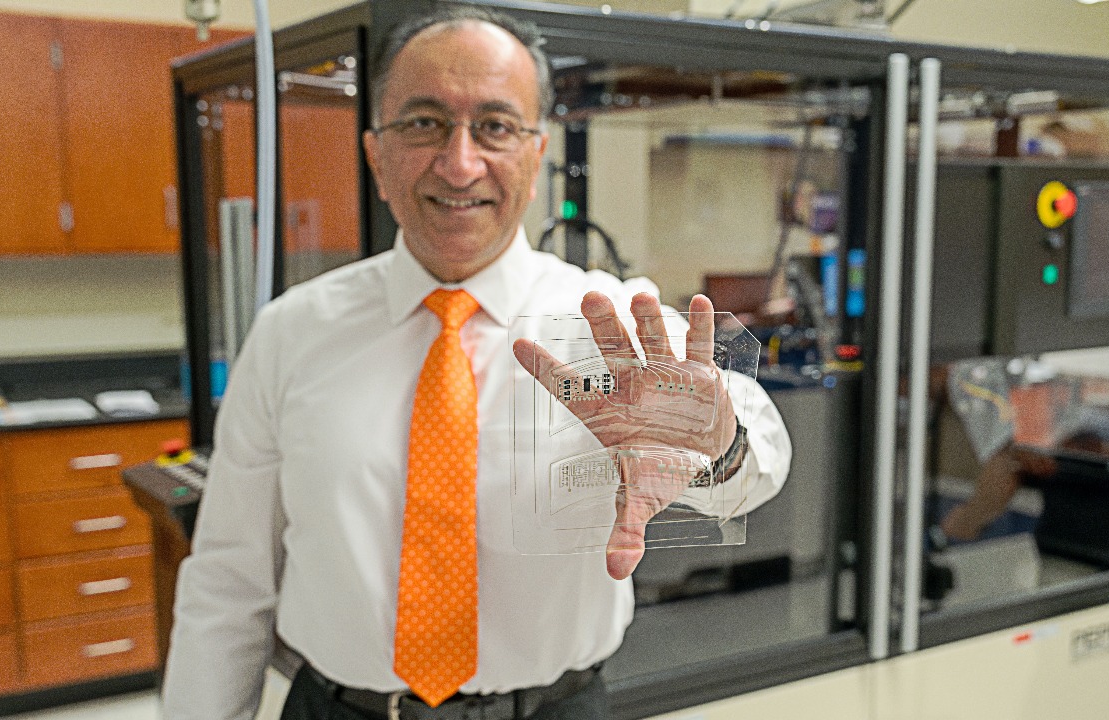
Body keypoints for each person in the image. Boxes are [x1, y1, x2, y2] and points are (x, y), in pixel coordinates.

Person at [162, 7, 792, 720]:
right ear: (376, 155)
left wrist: (719, 442)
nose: (459, 163)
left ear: (536, 151)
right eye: (424, 123)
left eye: (495, 126)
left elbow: (759, 459)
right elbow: (227, 581)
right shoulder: (291, 334)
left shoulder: (612, 324)